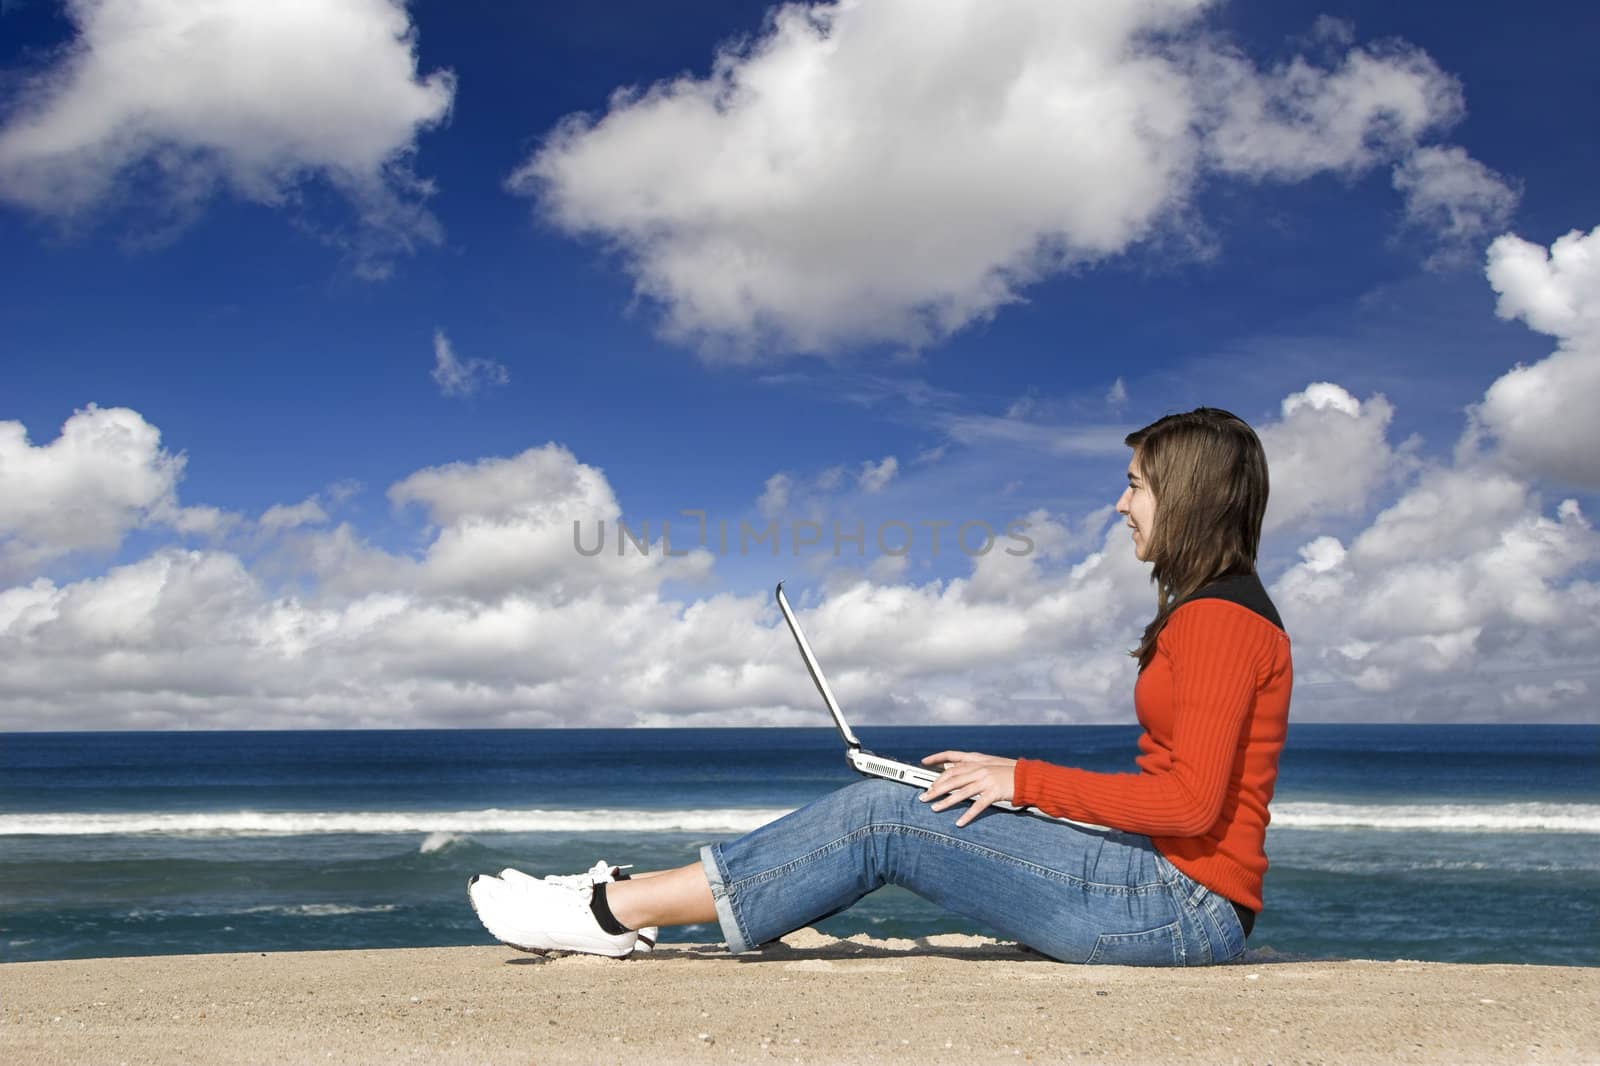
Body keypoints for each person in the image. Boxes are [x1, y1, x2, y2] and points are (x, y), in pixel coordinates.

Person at [468, 407, 1292, 965]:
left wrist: (1026, 780)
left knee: (883, 817)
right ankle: (627, 899)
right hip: (1167, 884)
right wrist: (1016, 793)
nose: (1120, 504)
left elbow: (1189, 806)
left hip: (1180, 909)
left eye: (1138, 485)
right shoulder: (1215, 614)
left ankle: (615, 911)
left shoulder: (1220, 621)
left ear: (1188, 496)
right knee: (927, 800)